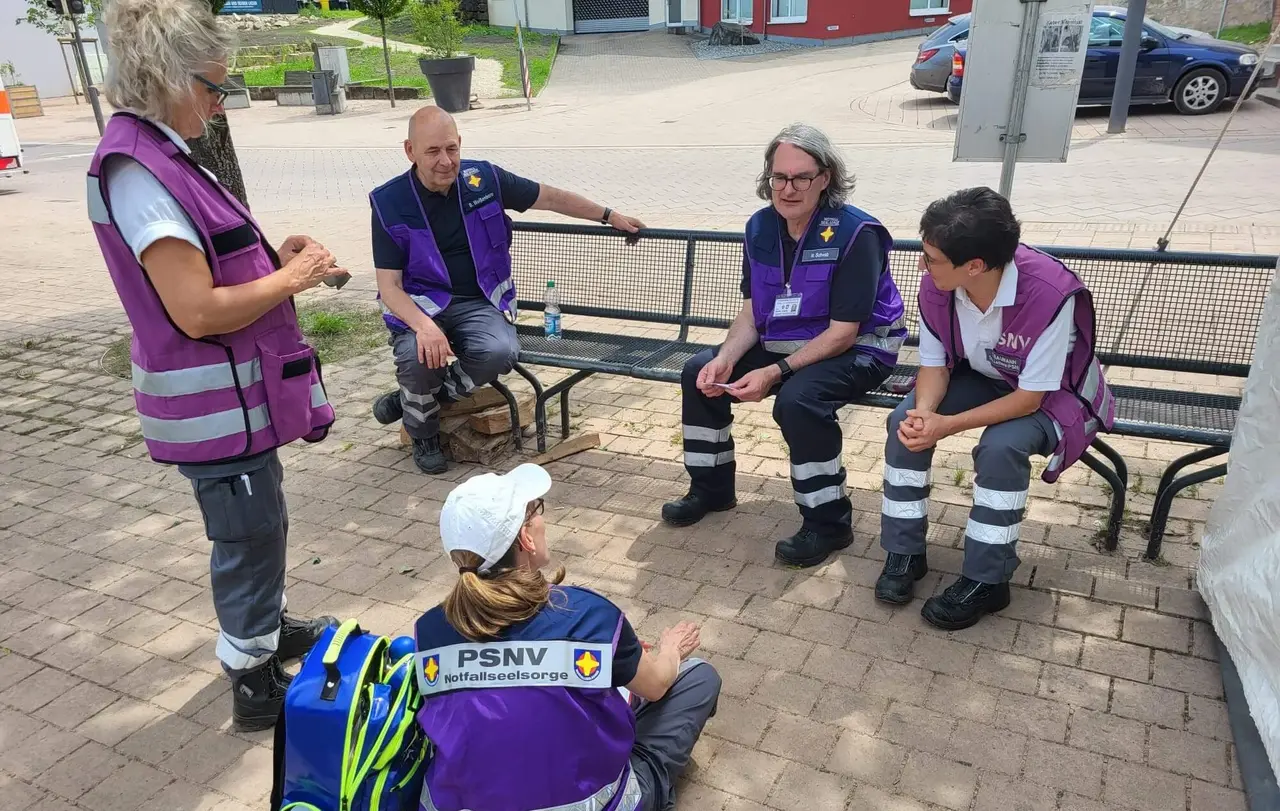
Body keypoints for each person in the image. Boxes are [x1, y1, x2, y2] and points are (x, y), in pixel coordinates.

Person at [87, 0, 339, 730]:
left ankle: (265, 625)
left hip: (236, 400)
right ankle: (252, 673)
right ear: (165, 74)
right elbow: (196, 309)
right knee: (244, 533)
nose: (220, 103)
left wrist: (275, 260)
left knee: (262, 522)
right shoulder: (137, 168)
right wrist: (291, 281)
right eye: (212, 86)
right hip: (213, 407)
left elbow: (217, 265)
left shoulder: (162, 152)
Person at [661, 123, 907, 568]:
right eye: (779, 177)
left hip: (861, 349)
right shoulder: (760, 228)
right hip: (788, 343)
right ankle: (711, 490)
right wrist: (725, 358)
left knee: (797, 401)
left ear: (825, 178)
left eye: (801, 177)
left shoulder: (857, 234)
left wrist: (775, 373)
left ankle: (829, 524)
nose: (788, 189)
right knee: (698, 373)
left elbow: (844, 332)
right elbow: (754, 310)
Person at [413, 464, 721, 811]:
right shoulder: (587, 616)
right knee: (697, 677)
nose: (543, 519)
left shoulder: (429, 631)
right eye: (536, 510)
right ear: (525, 538)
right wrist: (671, 650)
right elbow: (658, 685)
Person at [876, 187, 1115, 629]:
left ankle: (988, 581)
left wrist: (946, 425)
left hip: (1052, 392)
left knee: (1001, 447)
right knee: (903, 425)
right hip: (983, 377)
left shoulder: (1048, 292)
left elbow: (1029, 399)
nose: (922, 265)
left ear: (975, 266)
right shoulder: (939, 285)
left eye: (931, 257)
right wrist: (926, 414)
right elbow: (934, 365)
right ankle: (904, 553)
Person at [369, 107, 646, 475]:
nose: (445, 161)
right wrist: (422, 326)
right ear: (410, 151)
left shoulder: (483, 179)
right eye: (433, 151)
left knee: (500, 351)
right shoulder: (389, 203)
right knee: (419, 359)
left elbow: (551, 198)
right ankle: (424, 433)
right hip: (421, 306)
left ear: (460, 144)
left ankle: (416, 403)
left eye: (452, 149)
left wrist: (608, 215)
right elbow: (389, 286)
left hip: (477, 301)